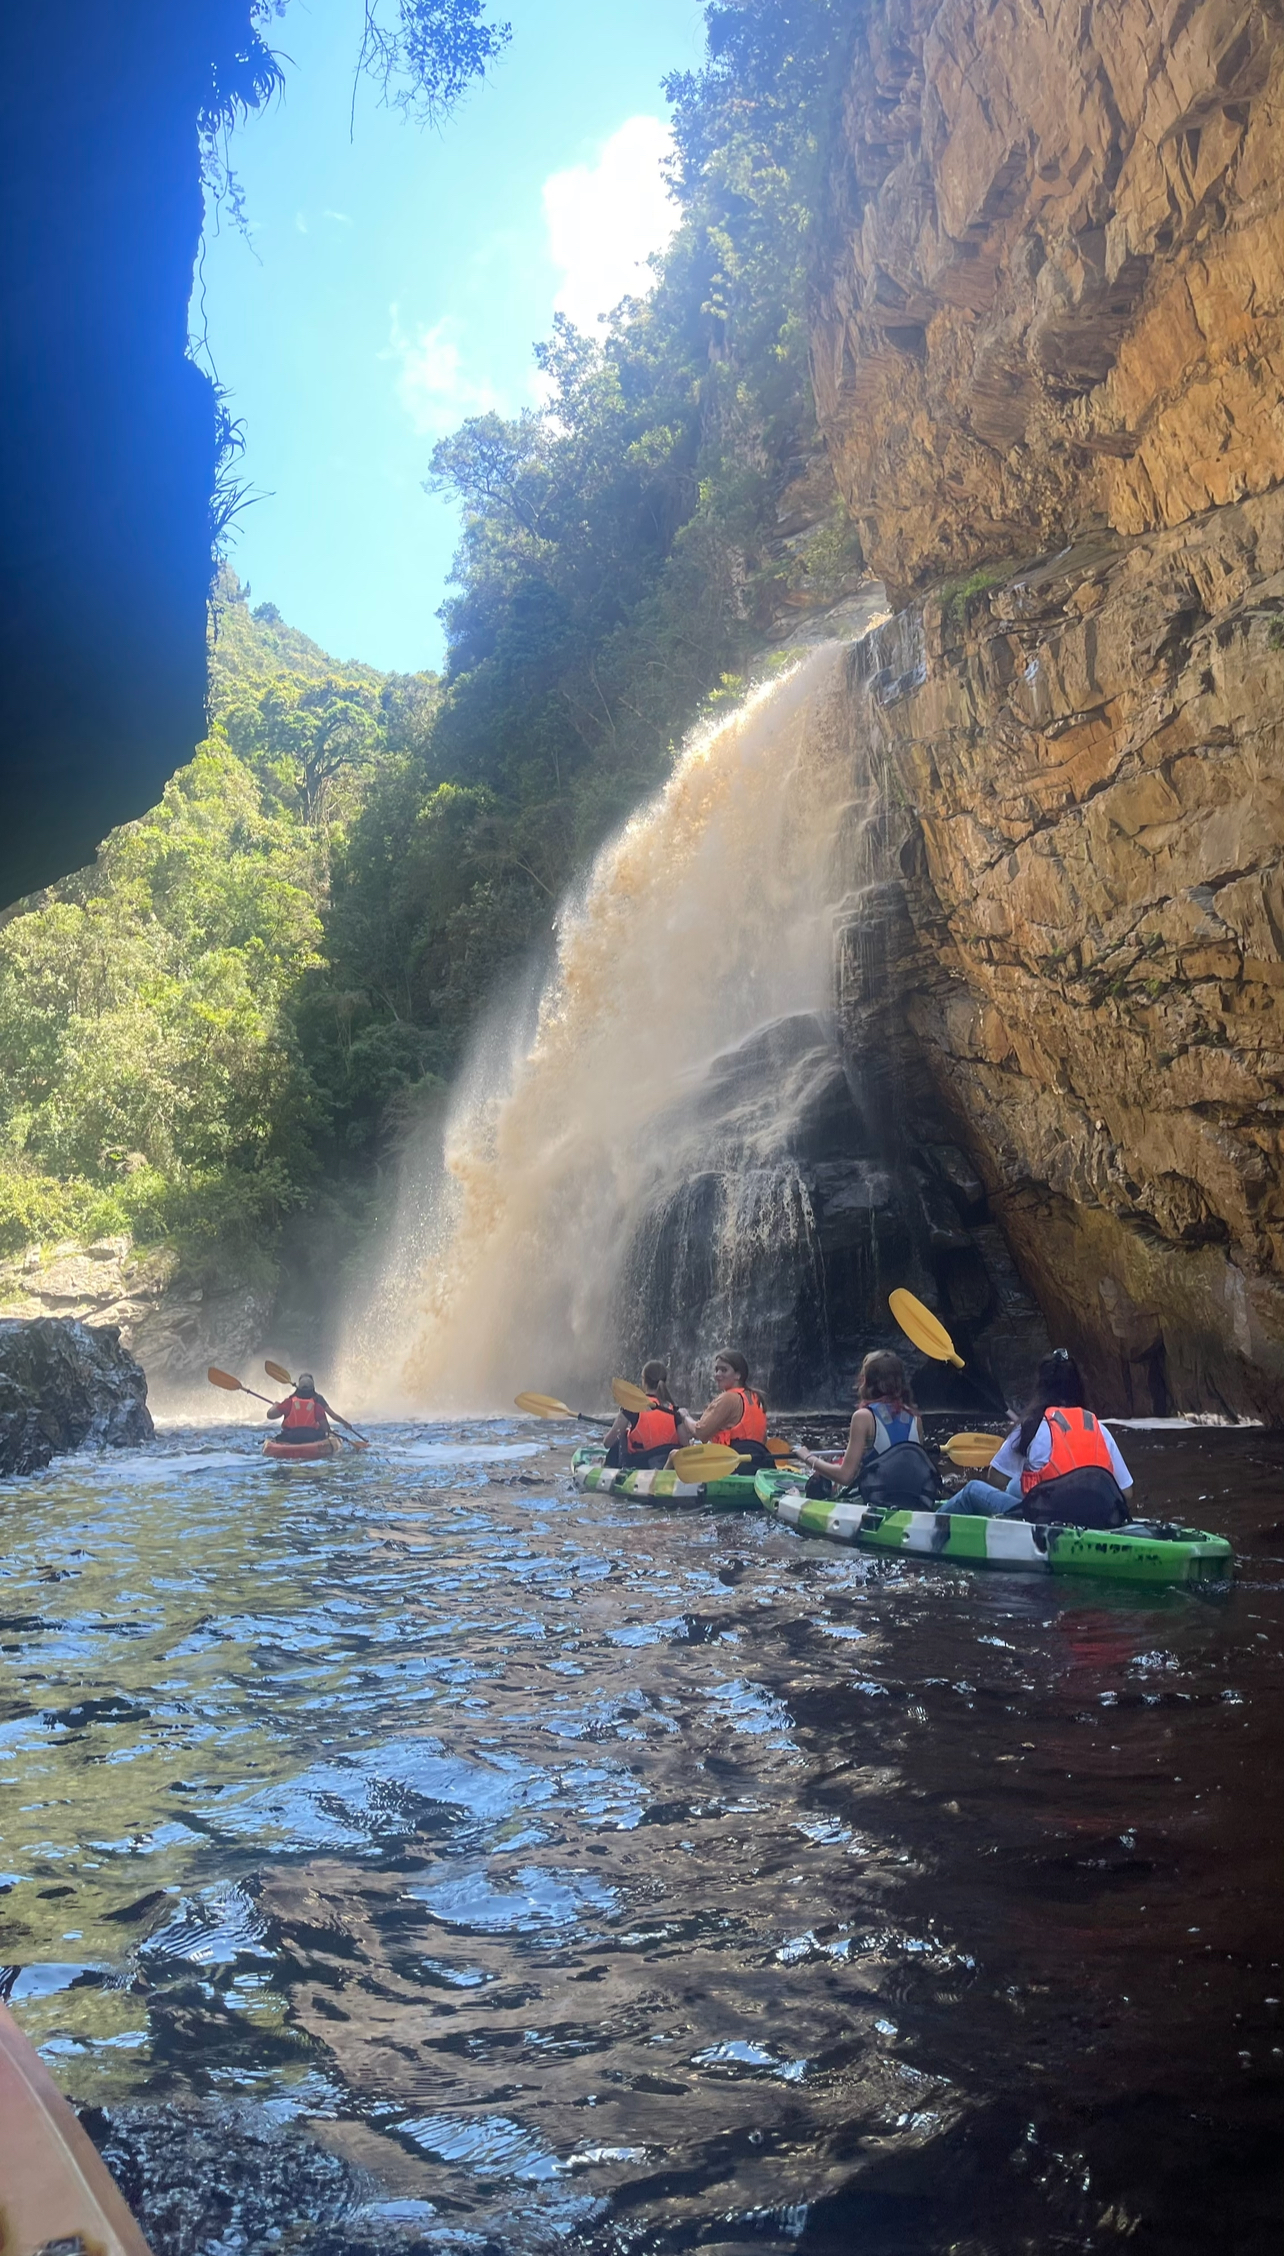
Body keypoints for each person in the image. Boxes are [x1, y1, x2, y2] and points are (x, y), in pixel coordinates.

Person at [938, 1349, 1133, 1527]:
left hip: (1047, 1522)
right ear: (1078, 1387)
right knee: (1016, 1486)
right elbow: (1126, 1492)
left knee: (973, 1490)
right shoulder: (1098, 1428)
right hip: (1098, 1518)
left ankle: (924, 1527)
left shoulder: (1032, 1427)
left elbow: (996, 1478)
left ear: (1041, 1388)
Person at [794, 1350, 937, 1509]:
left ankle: (795, 1497)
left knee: (820, 1482)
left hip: (873, 1502)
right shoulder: (915, 1419)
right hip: (912, 1500)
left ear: (868, 1381)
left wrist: (808, 1458)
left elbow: (845, 1476)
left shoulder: (863, 1417)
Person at [668, 1350, 776, 1475]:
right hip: (757, 1462)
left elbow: (700, 1432)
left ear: (738, 1375)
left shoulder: (728, 1398)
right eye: (716, 1370)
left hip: (731, 1465)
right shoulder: (756, 1397)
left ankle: (658, 1489)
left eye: (724, 1370)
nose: (717, 1374)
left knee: (674, 1455)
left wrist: (685, 1416)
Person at [602, 1361, 682, 1469]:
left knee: (622, 1435)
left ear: (644, 1381)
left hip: (639, 1466)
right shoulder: (674, 1410)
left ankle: (611, 1469)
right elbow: (685, 1446)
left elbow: (607, 1443)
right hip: (668, 1463)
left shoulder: (632, 1407)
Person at [266, 1373, 336, 1447]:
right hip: (312, 1438)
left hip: (290, 1437)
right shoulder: (317, 1406)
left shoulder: (288, 1403)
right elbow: (325, 1428)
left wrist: (275, 1406)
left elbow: (270, 1415)